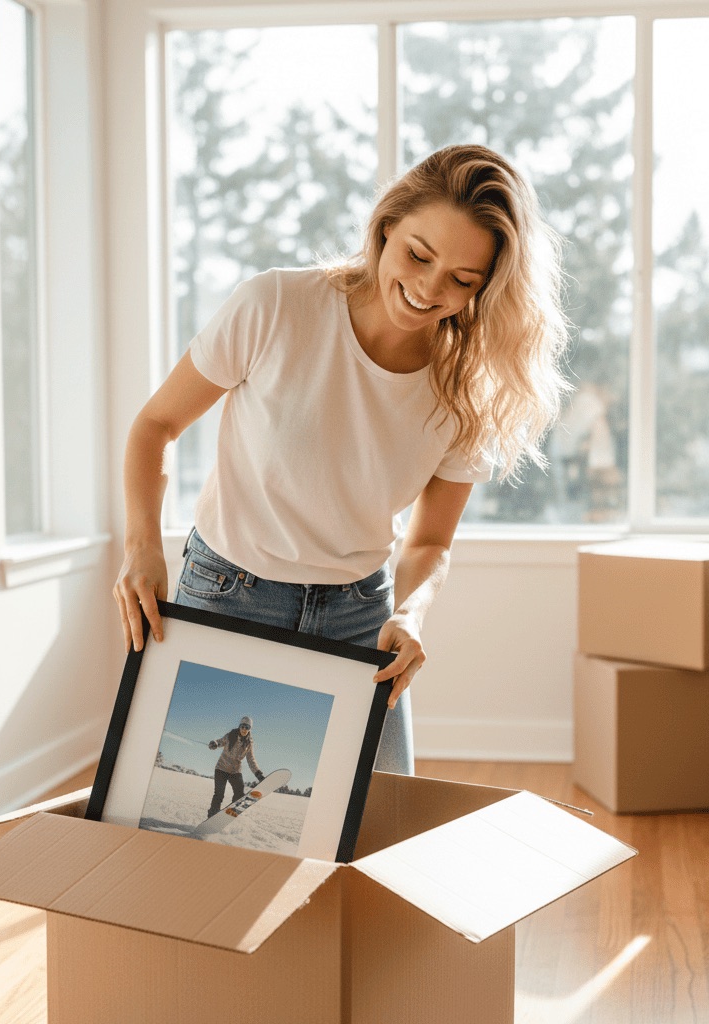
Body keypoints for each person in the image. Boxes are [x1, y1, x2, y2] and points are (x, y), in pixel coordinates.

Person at [114, 144, 571, 776]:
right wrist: (141, 545)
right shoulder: (275, 306)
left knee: (376, 824)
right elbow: (155, 425)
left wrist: (411, 612)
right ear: (386, 228)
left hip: (360, 615)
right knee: (193, 813)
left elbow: (431, 540)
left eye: (463, 281)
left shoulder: (467, 387)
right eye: (418, 254)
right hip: (228, 593)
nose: (429, 289)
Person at [207, 715, 265, 818]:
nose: (244, 729)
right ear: (239, 726)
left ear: (249, 729)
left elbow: (251, 759)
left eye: (247, 727)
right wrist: (214, 743)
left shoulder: (249, 743)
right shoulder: (231, 735)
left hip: (235, 770)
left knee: (239, 791)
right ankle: (212, 815)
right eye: (242, 726)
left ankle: (231, 811)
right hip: (221, 768)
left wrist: (258, 773)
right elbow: (221, 741)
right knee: (219, 794)